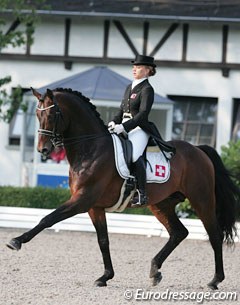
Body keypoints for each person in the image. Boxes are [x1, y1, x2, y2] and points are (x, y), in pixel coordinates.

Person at [108, 54, 175, 207]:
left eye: (138, 67)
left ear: (147, 70)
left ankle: (141, 193)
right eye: (134, 66)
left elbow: (143, 114)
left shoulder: (147, 89)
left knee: (134, 155)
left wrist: (124, 127)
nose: (134, 69)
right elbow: (121, 109)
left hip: (139, 128)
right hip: (122, 125)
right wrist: (113, 121)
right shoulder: (129, 86)